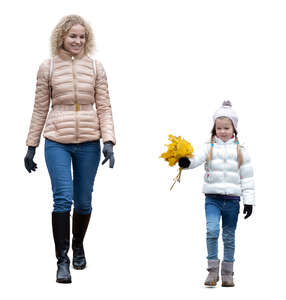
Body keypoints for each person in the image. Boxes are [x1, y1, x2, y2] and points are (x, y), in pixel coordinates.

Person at [24, 15, 116, 284]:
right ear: (61, 37)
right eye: (73, 36)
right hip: (57, 141)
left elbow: (105, 106)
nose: (78, 41)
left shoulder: (96, 68)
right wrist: (32, 145)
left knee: (84, 201)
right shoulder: (48, 67)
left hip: (88, 141)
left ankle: (78, 246)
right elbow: (40, 107)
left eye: (82, 36)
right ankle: (62, 260)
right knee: (63, 198)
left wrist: (108, 140)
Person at [179, 101, 254, 287]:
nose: (222, 131)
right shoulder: (209, 147)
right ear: (214, 129)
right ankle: (212, 272)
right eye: (219, 128)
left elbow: (247, 177)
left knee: (229, 236)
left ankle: (228, 274)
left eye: (226, 127)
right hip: (212, 199)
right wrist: (186, 163)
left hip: (233, 201)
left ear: (234, 129)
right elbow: (196, 158)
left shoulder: (241, 151)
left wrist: (249, 201)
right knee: (212, 231)